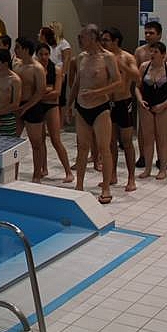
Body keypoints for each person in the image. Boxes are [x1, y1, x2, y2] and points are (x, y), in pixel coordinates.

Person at [69, 25, 120, 203]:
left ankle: (106, 188)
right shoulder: (81, 57)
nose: (79, 40)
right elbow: (77, 83)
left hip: (100, 108)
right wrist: (69, 105)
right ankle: (79, 186)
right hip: (82, 107)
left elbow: (118, 82)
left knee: (104, 148)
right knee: (82, 148)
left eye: (81, 37)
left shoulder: (107, 57)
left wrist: (97, 93)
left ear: (92, 37)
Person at [100, 27, 139, 192]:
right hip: (108, 103)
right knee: (110, 143)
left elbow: (137, 76)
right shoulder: (104, 58)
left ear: (115, 41)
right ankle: (112, 175)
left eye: (106, 40)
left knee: (127, 142)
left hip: (124, 102)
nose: (103, 43)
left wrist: (122, 66)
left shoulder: (127, 57)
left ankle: (131, 178)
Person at [135, 41, 167, 181]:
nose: (152, 54)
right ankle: (147, 169)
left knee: (161, 138)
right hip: (147, 106)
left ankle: (162, 169)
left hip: (164, 107)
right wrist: (140, 100)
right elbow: (137, 87)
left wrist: (163, 106)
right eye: (151, 51)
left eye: (155, 52)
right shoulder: (144, 67)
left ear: (163, 55)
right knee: (148, 139)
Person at [35, 42, 73, 183]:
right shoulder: (35, 69)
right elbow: (33, 90)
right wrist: (46, 91)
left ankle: (68, 171)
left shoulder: (56, 70)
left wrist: (40, 94)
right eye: (41, 54)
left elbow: (56, 93)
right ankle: (43, 168)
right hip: (38, 106)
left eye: (46, 54)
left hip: (51, 106)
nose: (44, 57)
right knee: (39, 140)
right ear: (37, 55)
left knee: (56, 140)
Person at [14, 37, 47, 183]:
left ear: (26, 50)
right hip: (18, 106)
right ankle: (13, 173)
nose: (15, 50)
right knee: (13, 141)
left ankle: (37, 175)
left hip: (33, 106)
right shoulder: (16, 65)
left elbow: (40, 92)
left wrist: (26, 107)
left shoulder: (37, 68)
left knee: (36, 143)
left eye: (17, 47)